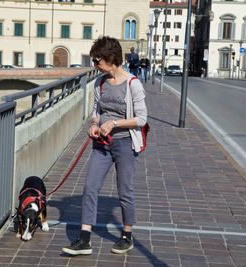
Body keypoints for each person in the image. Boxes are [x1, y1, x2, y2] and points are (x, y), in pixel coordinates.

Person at [62, 36, 148, 256]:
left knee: (124, 191)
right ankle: (84, 239)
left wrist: (114, 123)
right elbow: (96, 111)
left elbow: (141, 119)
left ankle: (127, 235)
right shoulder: (100, 83)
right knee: (90, 187)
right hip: (102, 144)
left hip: (125, 144)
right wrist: (94, 124)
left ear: (111, 58)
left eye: (97, 60)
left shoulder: (132, 84)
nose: (95, 64)